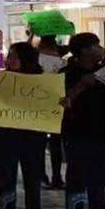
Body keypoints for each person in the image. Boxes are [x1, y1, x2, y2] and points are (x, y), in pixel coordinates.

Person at [61, 32, 105, 209]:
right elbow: (63, 101)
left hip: (101, 131)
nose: (100, 48)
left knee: (99, 177)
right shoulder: (68, 72)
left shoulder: (101, 70)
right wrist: (82, 85)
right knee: (76, 177)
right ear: (84, 50)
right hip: (77, 131)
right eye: (96, 45)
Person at [0, 43, 50, 209]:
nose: (10, 60)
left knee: (33, 182)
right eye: (9, 56)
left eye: (14, 56)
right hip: (6, 137)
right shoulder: (0, 80)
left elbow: (49, 104)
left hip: (33, 138)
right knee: (6, 181)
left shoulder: (41, 82)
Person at [37, 36, 66, 189]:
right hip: (55, 104)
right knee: (55, 143)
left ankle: (43, 176)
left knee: (41, 143)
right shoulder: (61, 61)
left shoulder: (37, 58)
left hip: (41, 104)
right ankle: (56, 176)